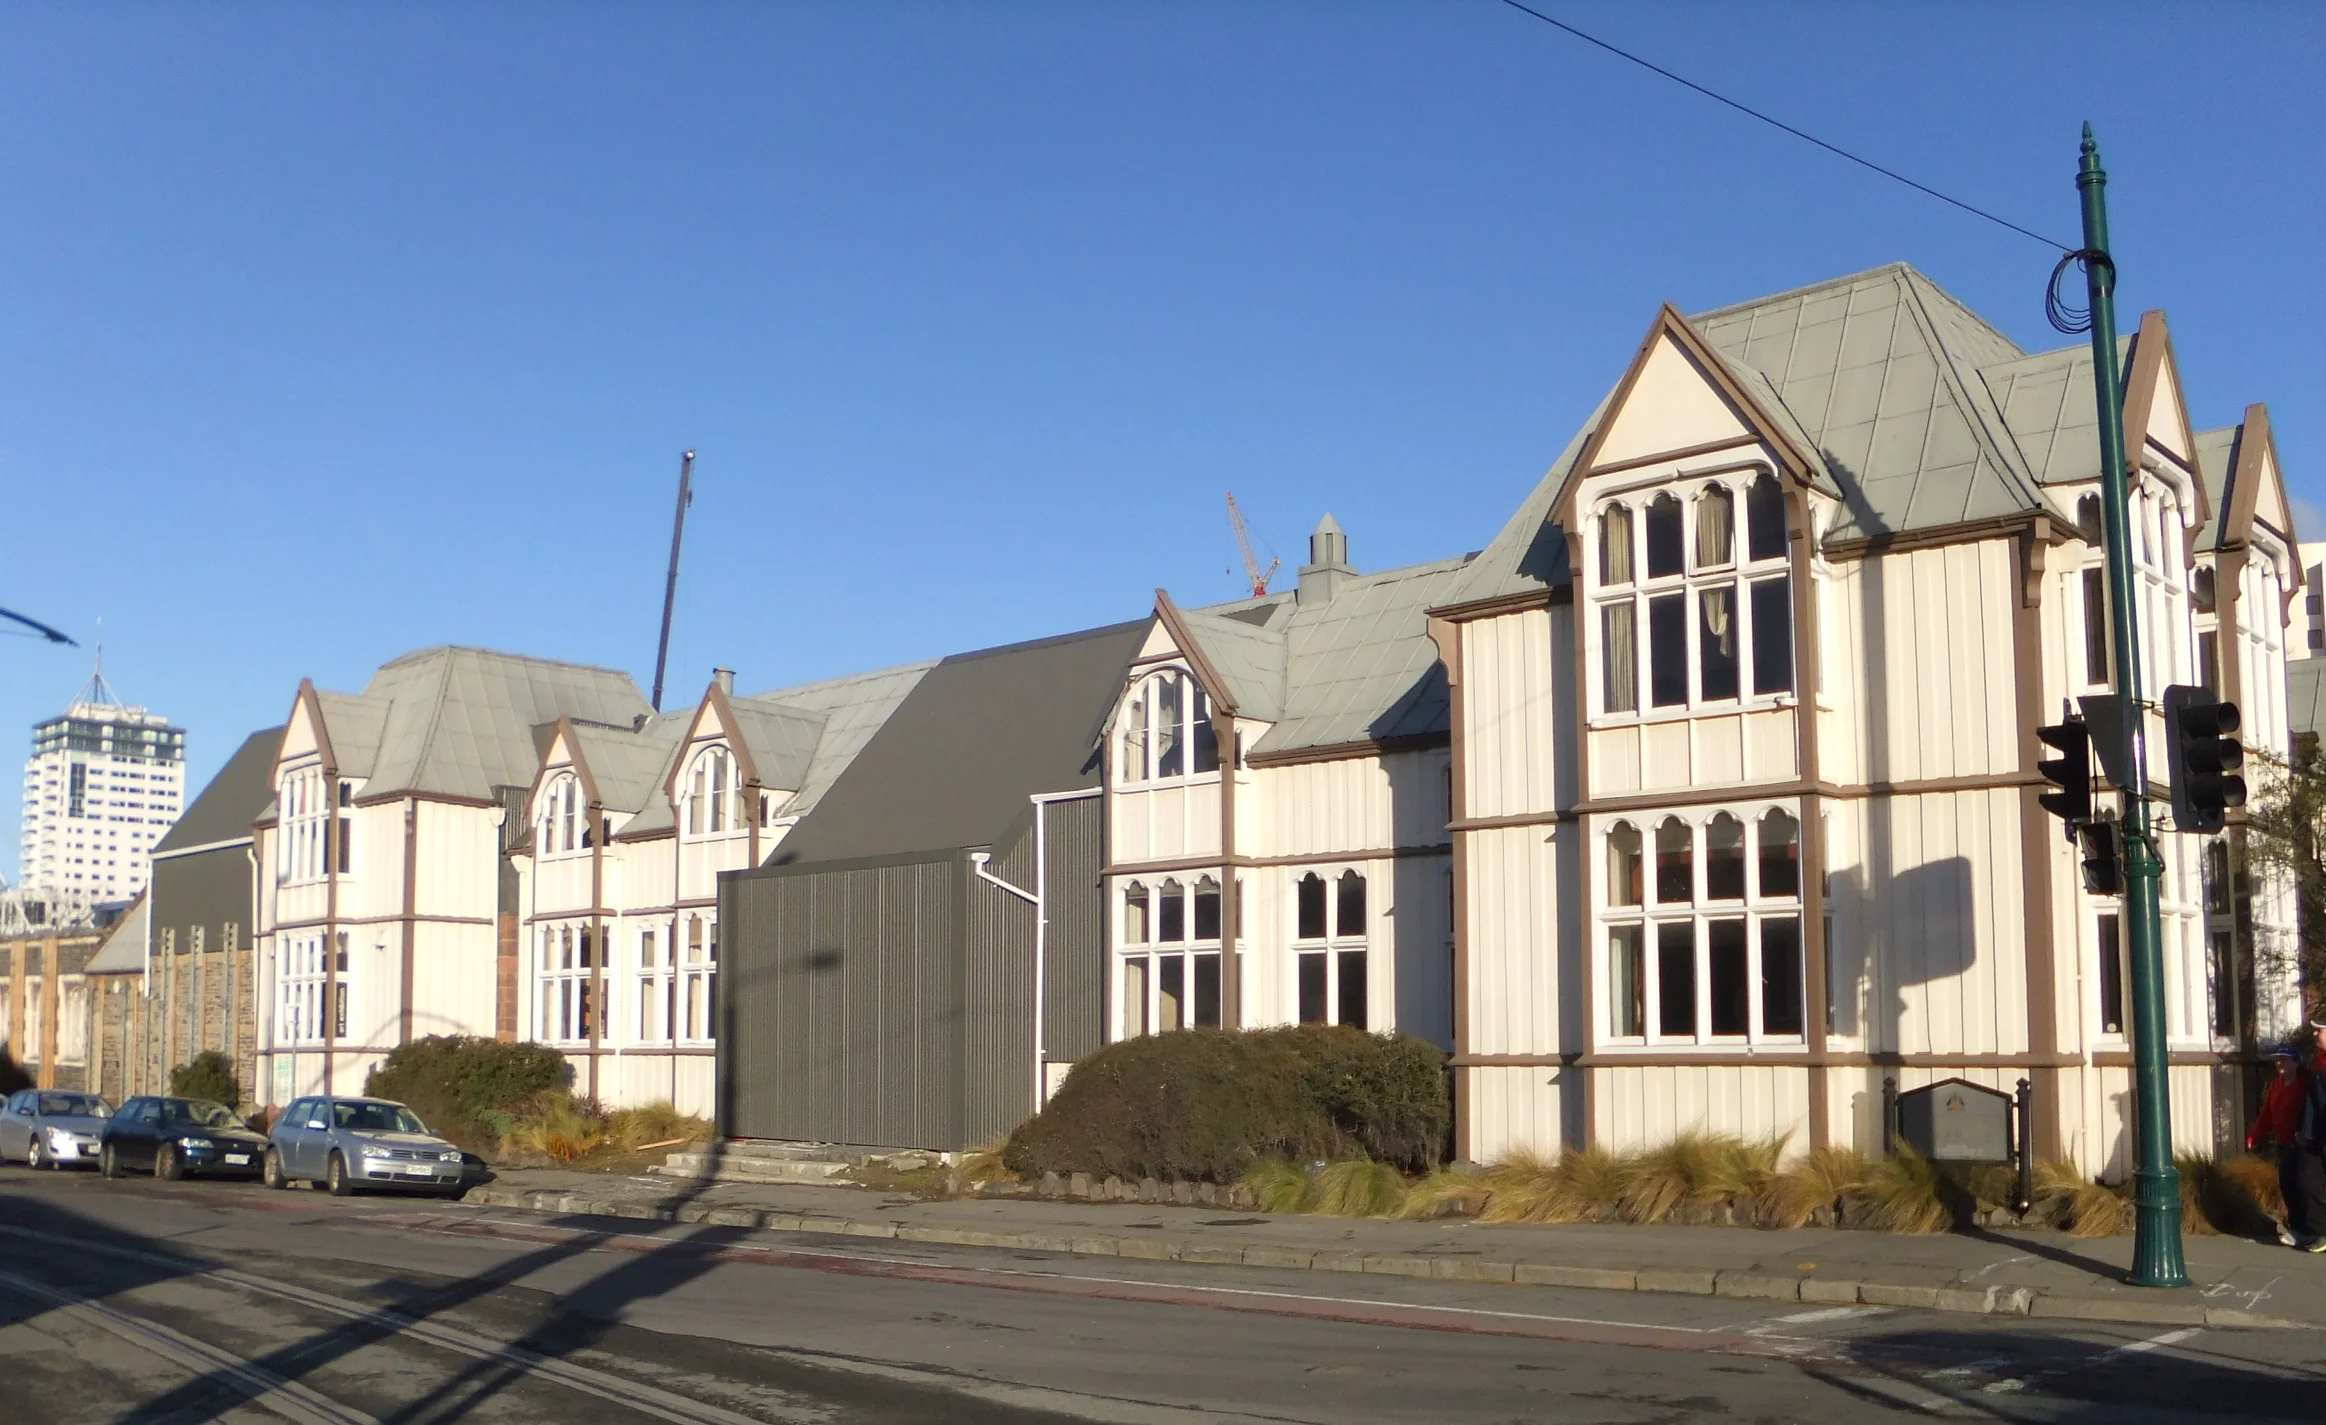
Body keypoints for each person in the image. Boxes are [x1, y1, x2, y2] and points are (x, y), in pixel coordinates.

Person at [2251, 1045, 2309, 1246]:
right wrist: (2255, 1135)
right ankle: (2296, 1227)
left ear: (2296, 1062)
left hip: (2302, 1143)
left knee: (2303, 1185)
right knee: (2287, 1184)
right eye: (2277, 1060)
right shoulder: (2276, 1085)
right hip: (2283, 1142)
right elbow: (2267, 1114)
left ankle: (2307, 1229)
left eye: (2284, 1060)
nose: (2279, 1064)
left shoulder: (2304, 1084)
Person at [2295, 1028, 2326, 1253]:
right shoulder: (2317, 1062)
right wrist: (2301, 1128)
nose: (2315, 1034)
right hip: (2313, 1134)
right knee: (2307, 1179)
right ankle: (2319, 1232)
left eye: (2321, 1031)